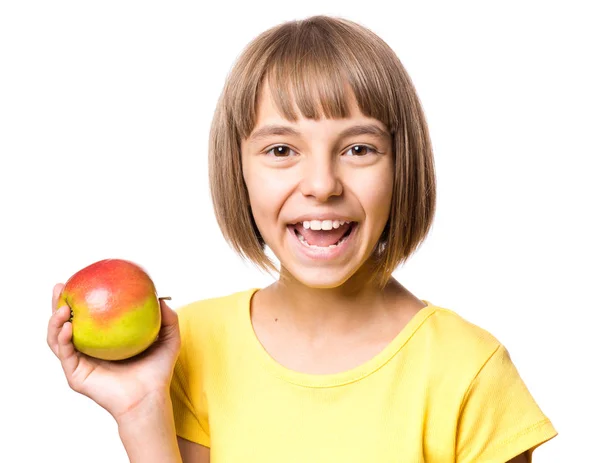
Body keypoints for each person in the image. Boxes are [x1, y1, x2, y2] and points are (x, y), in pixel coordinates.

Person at [47, 15, 557, 463]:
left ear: (404, 167)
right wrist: (142, 412)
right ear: (238, 168)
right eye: (281, 149)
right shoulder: (184, 345)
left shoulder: (468, 369)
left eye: (358, 148)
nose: (321, 184)